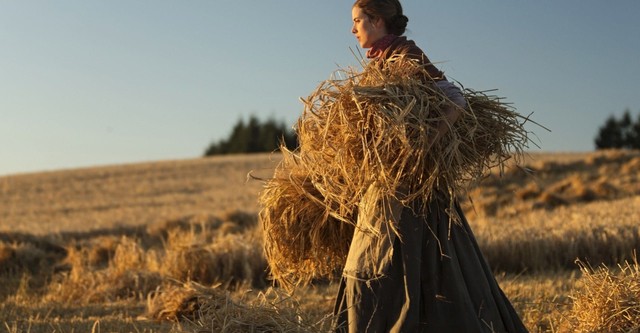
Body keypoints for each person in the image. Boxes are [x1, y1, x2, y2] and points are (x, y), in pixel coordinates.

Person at [331, 1, 529, 332]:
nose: (353, 29)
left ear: (378, 20)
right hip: (385, 187)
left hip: (413, 194)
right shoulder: (381, 62)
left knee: (411, 271)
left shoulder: (405, 57)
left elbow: (454, 98)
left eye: (357, 21)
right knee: (369, 267)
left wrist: (425, 145)